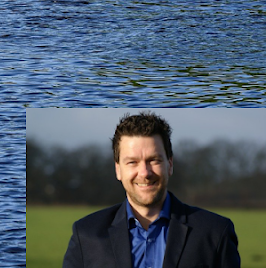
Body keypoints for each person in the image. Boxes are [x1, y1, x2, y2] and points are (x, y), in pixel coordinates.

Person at [63, 112, 240, 268]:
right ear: (118, 170)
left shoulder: (215, 232)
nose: (145, 173)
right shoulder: (86, 235)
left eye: (154, 160)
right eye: (132, 162)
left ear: (170, 164)